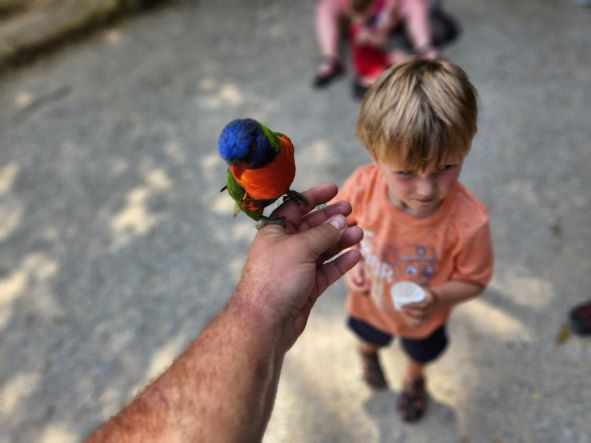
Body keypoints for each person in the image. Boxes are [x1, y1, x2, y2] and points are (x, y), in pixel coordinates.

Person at [86, 183, 364, 442]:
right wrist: (264, 307)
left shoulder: (281, 146)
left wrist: (266, 314)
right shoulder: (240, 174)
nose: (237, 170)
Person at [334, 58, 494, 423]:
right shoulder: (362, 185)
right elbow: (341, 228)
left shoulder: (469, 222)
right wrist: (353, 261)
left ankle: (412, 382)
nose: (426, 189)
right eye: (406, 172)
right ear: (375, 157)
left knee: (419, 353)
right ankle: (369, 354)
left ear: (465, 150)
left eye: (445, 168)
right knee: (368, 335)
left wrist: (436, 297)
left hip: (425, 316)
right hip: (369, 303)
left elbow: (475, 279)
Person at [313, 0, 440, 88]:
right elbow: (379, 41)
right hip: (361, 16)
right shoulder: (361, 32)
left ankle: (424, 48)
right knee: (325, 8)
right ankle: (331, 58)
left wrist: (388, 13)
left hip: (387, 9)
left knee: (416, 5)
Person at [348, 0, 408, 99]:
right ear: (369, 9)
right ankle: (368, 82)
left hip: (376, 57)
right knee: (397, 59)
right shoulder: (360, 31)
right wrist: (383, 28)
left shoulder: (362, 24)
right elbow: (380, 42)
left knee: (398, 56)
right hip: (369, 64)